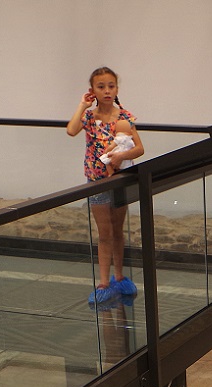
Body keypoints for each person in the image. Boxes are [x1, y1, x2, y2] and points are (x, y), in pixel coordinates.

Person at [66, 67, 144, 306]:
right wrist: (82, 104)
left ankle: (119, 276)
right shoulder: (89, 117)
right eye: (101, 87)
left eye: (111, 86)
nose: (107, 91)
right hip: (97, 180)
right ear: (93, 91)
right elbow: (71, 130)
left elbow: (139, 148)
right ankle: (103, 282)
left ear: (116, 89)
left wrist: (122, 156)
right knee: (104, 233)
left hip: (120, 179)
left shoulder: (124, 117)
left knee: (118, 229)